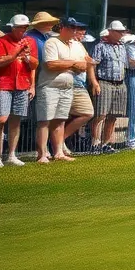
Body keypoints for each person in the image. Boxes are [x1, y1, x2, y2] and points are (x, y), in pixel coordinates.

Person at [0, 15, 38, 167]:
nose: (24, 30)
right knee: (1, 119)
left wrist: (27, 59)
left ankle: (11, 155)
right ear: (13, 27)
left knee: (16, 120)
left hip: (22, 84)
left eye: (25, 27)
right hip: (3, 84)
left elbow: (34, 64)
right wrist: (15, 53)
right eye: (21, 27)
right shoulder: (2, 41)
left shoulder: (31, 41)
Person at [35, 17, 90, 163]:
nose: (74, 31)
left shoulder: (75, 44)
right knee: (45, 120)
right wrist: (72, 64)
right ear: (62, 28)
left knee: (60, 120)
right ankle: (42, 154)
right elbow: (51, 65)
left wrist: (67, 64)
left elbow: (84, 65)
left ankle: (58, 152)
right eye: (71, 28)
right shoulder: (52, 42)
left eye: (75, 28)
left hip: (67, 86)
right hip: (49, 86)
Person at [90, 22, 129, 153]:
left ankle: (106, 144)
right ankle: (95, 143)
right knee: (101, 114)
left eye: (122, 31)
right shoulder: (100, 46)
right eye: (119, 31)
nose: (121, 34)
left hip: (120, 83)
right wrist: (94, 83)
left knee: (113, 116)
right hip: (104, 82)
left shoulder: (122, 47)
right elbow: (92, 65)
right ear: (111, 32)